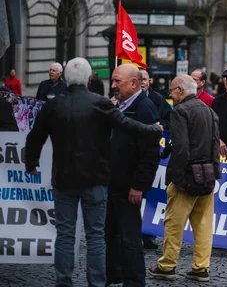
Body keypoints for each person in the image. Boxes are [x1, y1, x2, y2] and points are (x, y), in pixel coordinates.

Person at [24, 58, 162, 287]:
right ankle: (97, 283)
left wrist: (31, 162)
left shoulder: (53, 104)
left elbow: (35, 136)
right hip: (96, 180)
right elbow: (127, 125)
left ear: (65, 78)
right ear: (89, 79)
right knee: (96, 236)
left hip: (64, 180)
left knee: (65, 235)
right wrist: (154, 130)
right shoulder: (100, 103)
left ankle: (64, 282)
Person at [147, 75, 220, 283]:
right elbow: (215, 146)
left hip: (186, 177)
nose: (170, 95)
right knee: (204, 226)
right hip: (207, 175)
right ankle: (201, 267)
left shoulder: (180, 111)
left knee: (173, 224)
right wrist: (215, 173)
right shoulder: (210, 111)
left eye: (171, 91)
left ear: (180, 90)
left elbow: (181, 149)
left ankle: (167, 266)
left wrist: (176, 179)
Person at [106, 63, 161, 286]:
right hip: (113, 182)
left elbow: (150, 153)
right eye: (113, 80)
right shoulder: (119, 105)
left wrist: (138, 185)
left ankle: (134, 281)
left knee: (129, 238)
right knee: (111, 234)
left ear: (134, 83)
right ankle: (114, 274)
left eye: (117, 81)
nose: (113, 85)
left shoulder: (144, 108)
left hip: (129, 186)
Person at [140, 69, 172, 249]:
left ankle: (149, 235)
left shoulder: (158, 99)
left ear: (149, 81)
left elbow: (170, 119)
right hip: (136, 153)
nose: (142, 82)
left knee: (152, 196)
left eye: (144, 79)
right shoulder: (128, 99)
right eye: (139, 79)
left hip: (156, 155)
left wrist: (161, 126)